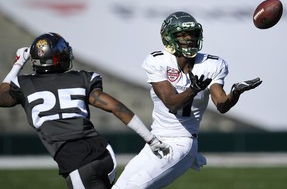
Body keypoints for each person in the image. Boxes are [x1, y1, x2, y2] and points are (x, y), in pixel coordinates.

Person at [0, 32, 171, 189]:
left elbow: (2, 96)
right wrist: (151, 139)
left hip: (77, 162)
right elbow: (117, 107)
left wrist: (18, 63)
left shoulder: (24, 85)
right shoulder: (81, 79)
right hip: (104, 153)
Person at [112, 11, 262, 188]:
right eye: (182, 34)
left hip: (182, 143)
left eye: (192, 34)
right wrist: (193, 90)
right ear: (168, 37)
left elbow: (221, 104)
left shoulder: (211, 64)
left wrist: (235, 93)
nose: (189, 39)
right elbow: (171, 103)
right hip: (157, 140)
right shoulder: (157, 61)